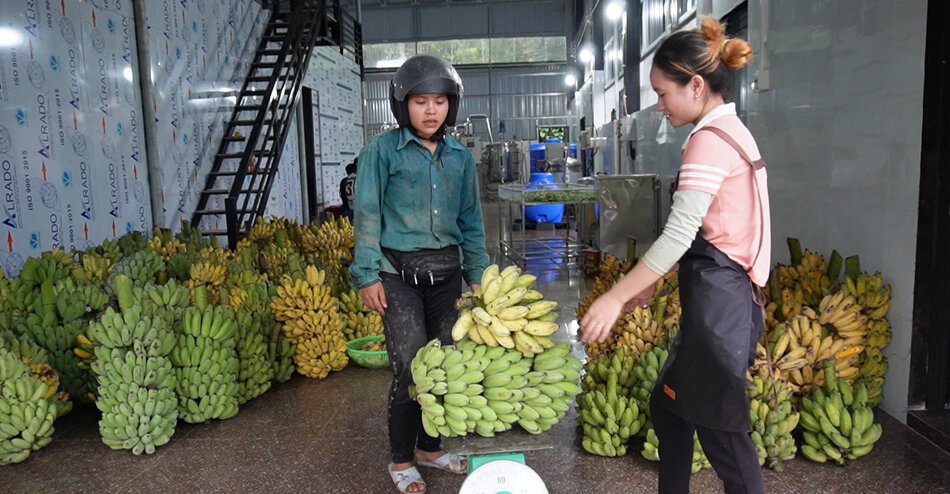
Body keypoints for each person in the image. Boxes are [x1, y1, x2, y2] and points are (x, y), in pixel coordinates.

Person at [579, 17, 770, 494]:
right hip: (722, 299)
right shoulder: (729, 130)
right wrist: (648, 283)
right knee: (669, 407)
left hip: (721, 310)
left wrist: (613, 298)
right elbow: (716, 232)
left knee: (725, 438)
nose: (659, 105)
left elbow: (679, 236)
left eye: (663, 93)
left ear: (697, 84)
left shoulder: (708, 141)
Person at [350, 55, 490, 494]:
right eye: (420, 102)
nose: (431, 111)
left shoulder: (460, 157)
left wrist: (478, 274)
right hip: (396, 275)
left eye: (440, 102)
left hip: (447, 275)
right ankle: (401, 459)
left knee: (446, 367)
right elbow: (367, 215)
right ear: (402, 105)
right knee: (410, 368)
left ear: (452, 105)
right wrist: (367, 275)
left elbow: (471, 219)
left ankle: (431, 448)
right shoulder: (381, 152)